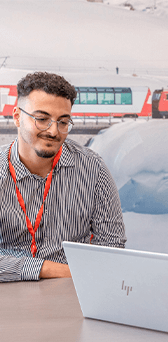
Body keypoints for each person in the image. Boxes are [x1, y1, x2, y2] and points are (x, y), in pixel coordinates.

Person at [0, 71, 126, 281]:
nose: (53, 131)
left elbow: (112, 248)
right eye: (42, 119)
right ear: (17, 117)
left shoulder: (92, 167)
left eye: (63, 122)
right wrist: (48, 269)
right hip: (10, 293)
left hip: (74, 291)